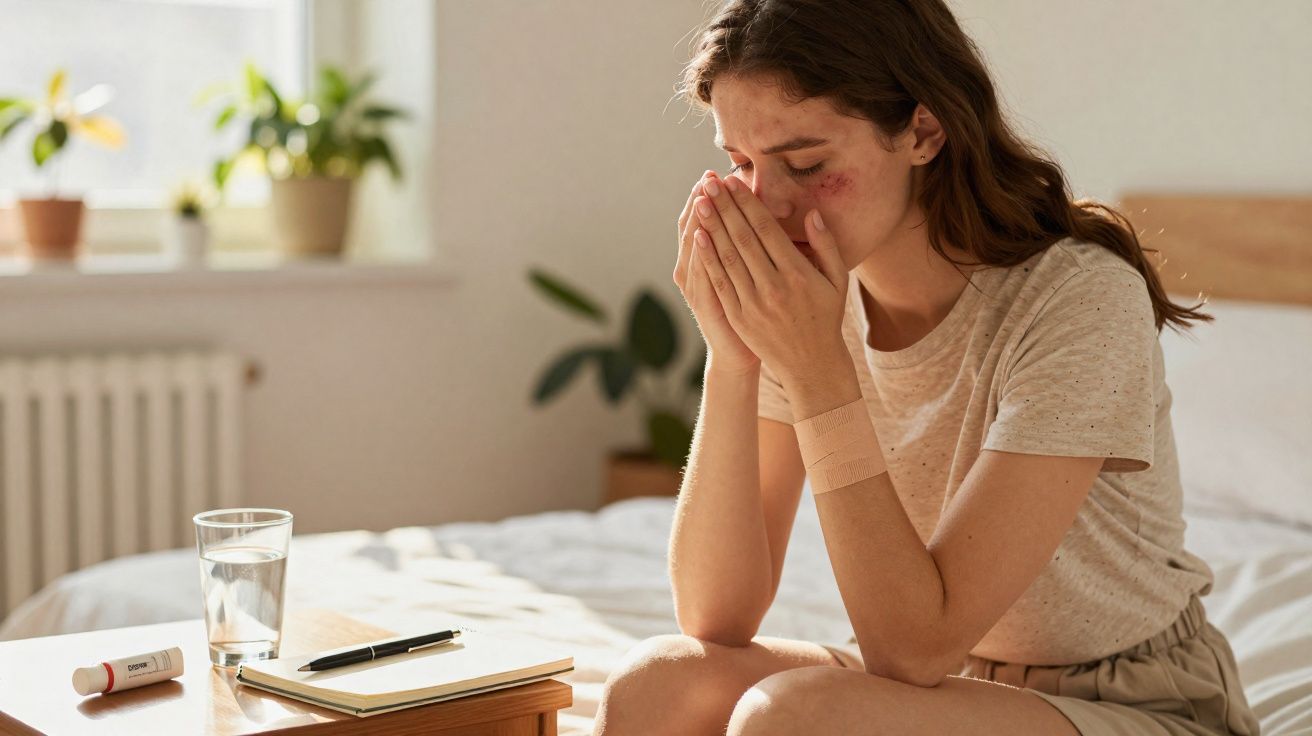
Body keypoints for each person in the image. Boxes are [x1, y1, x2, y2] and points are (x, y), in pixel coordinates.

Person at [592, 1, 1262, 735]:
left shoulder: (1078, 297)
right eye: (743, 165)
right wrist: (732, 358)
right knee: (655, 685)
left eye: (806, 164)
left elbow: (913, 648)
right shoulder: (814, 299)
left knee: (789, 718)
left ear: (923, 131)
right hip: (945, 686)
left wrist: (817, 371)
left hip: (1130, 699)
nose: (767, 203)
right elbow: (716, 616)